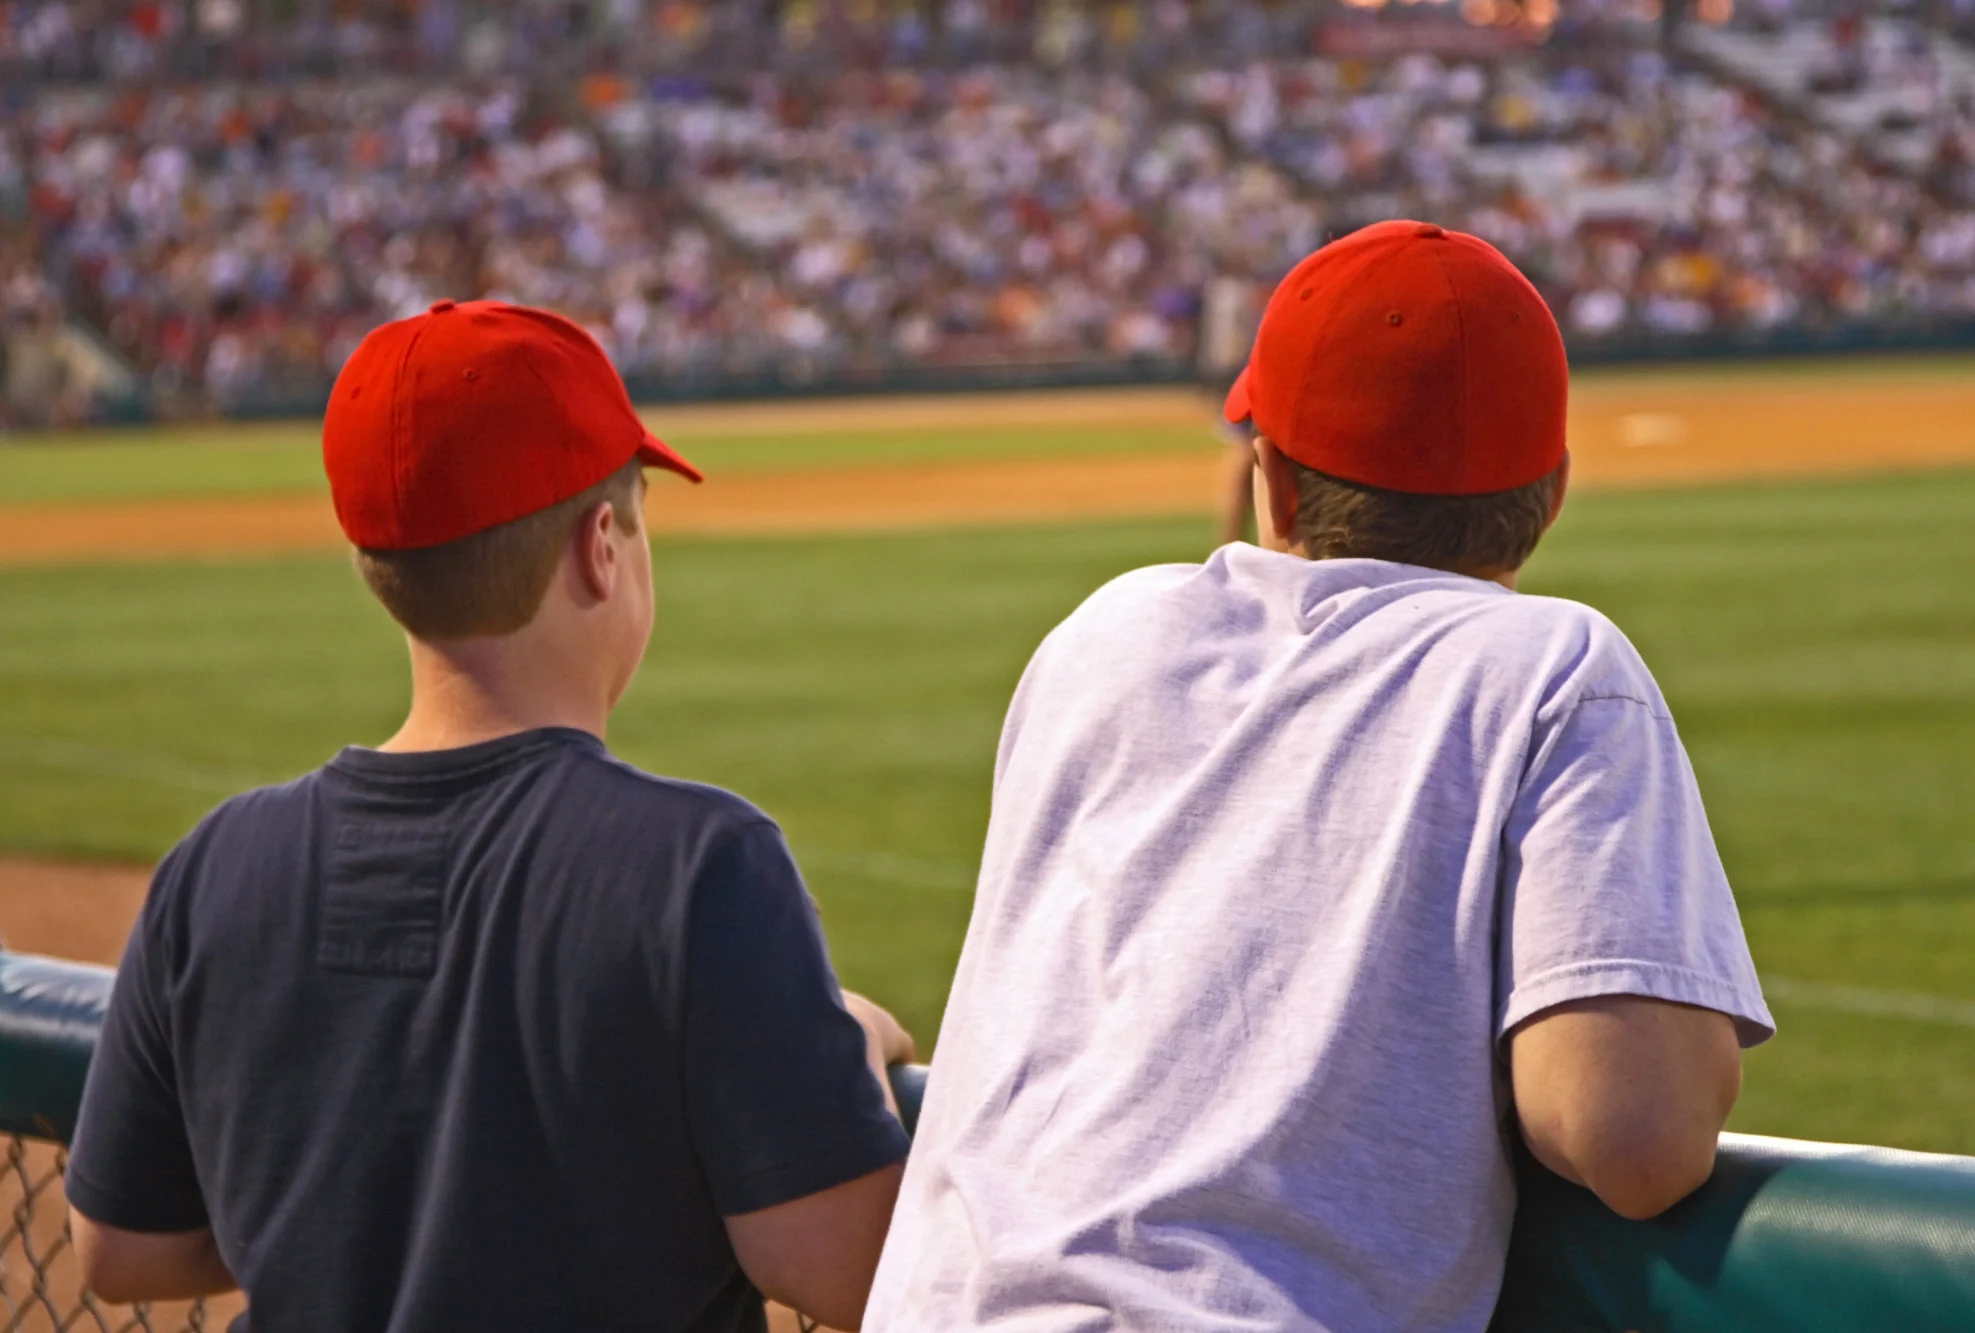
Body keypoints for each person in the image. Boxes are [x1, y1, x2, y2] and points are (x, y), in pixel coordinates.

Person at [863, 221, 1773, 1332]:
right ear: (1554, 489)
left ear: (1276, 483)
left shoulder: (1102, 635)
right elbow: (1630, 1135)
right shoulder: (1553, 665)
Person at [66, 300, 915, 1333]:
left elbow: (122, 1247)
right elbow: (845, 1272)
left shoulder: (216, 862)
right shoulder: (702, 864)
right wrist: (851, 1041)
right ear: (601, 545)